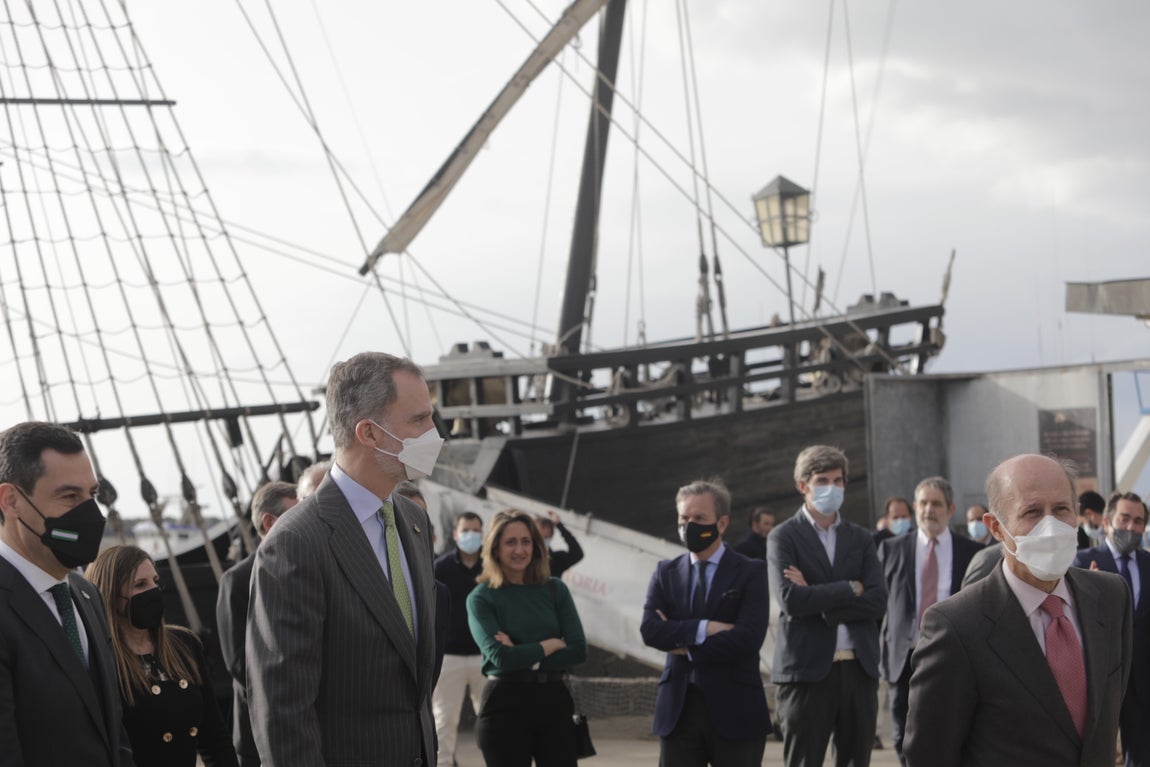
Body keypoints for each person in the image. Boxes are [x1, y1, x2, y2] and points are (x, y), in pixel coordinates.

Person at [248, 352, 443, 766]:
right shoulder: (296, 542)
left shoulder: (414, 523)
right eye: (419, 420)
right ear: (369, 433)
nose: (434, 433)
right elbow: (283, 711)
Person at [904, 454, 1132, 767]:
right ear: (996, 527)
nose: (1050, 526)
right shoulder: (955, 626)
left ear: (1077, 513)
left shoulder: (1110, 596)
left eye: (1062, 509)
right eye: (1032, 512)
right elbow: (929, 755)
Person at [0, 421, 134, 767]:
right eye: (69, 496)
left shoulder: (86, 595)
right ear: (11, 501)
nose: (90, 513)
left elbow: (113, 733)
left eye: (91, 494)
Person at [767, 445, 887, 767]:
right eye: (822, 480)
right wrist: (849, 588)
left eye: (838, 480)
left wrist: (818, 598)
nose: (831, 488)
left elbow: (877, 601)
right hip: (806, 673)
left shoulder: (860, 539)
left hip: (858, 671)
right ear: (802, 485)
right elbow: (791, 599)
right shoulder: (783, 537)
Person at [640, 480, 771, 766]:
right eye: (683, 518)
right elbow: (651, 631)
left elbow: (747, 638)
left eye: (699, 518)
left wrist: (683, 645)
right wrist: (704, 628)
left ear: (722, 523)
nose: (689, 526)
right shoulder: (666, 572)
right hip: (679, 712)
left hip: (737, 711)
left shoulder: (751, 571)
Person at [88, 545, 237, 767]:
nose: (153, 591)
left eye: (155, 582)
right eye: (140, 584)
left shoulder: (184, 645)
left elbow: (214, 736)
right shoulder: (101, 658)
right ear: (110, 593)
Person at [466, 509, 587, 767]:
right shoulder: (481, 597)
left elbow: (578, 650)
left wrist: (523, 654)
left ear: (536, 546)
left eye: (526, 542)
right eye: (510, 542)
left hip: (554, 701)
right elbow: (500, 656)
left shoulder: (555, 589)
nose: (519, 550)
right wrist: (549, 645)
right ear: (495, 548)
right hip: (504, 705)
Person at [878, 477, 981, 765]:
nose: (928, 510)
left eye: (936, 504)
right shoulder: (892, 549)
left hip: (952, 656)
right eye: (923, 503)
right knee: (902, 733)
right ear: (914, 507)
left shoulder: (970, 552)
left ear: (951, 508)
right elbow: (879, 604)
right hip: (904, 656)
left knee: (950, 729)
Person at [215, 481, 297, 767]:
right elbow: (238, 661)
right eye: (296, 515)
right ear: (269, 521)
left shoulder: (309, 571)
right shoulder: (236, 581)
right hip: (258, 733)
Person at [1072, 491, 1150, 767]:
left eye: (1138, 521)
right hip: (1098, 680)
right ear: (1107, 522)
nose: (1131, 527)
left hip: (1142, 684)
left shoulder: (1148, 564)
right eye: (1125, 518)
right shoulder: (1080, 563)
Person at [432, 511, 487, 767]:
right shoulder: (440, 568)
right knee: (443, 722)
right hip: (449, 657)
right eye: (465, 530)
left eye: (476, 530)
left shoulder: (491, 567)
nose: (470, 536)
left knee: (493, 720)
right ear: (455, 534)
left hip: (485, 657)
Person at [536, 509, 584, 577]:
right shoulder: (522, 558)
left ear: (551, 537)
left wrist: (559, 525)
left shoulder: (556, 560)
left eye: (546, 537)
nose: (542, 540)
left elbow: (577, 554)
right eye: (539, 537)